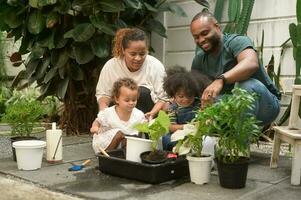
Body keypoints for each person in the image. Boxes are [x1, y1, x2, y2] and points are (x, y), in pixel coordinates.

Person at [190, 10, 281, 126]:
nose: (201, 40)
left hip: (264, 105)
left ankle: (241, 141)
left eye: (205, 33)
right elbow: (193, 92)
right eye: (196, 37)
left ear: (217, 27)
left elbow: (251, 63)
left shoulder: (237, 42)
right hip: (229, 106)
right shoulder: (199, 60)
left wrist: (221, 79)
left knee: (246, 86)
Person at [95, 28, 168, 119]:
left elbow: (164, 99)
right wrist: (103, 114)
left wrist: (153, 115)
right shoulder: (111, 65)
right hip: (118, 117)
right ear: (123, 50)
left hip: (147, 116)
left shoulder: (155, 66)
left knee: (142, 92)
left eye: (142, 54)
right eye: (133, 54)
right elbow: (104, 94)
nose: (138, 58)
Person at [90, 78, 145, 154]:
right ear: (116, 99)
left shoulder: (138, 114)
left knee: (132, 137)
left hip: (124, 143)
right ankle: (106, 155)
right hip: (106, 143)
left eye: (134, 100)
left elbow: (142, 129)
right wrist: (95, 127)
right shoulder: (108, 112)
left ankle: (125, 155)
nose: (131, 103)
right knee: (119, 133)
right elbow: (98, 121)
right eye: (127, 100)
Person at [162, 67, 212, 150]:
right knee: (167, 139)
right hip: (178, 133)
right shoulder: (173, 108)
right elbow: (171, 126)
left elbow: (205, 117)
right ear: (173, 95)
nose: (185, 99)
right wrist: (187, 127)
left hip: (196, 134)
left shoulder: (198, 104)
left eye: (189, 96)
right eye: (181, 96)